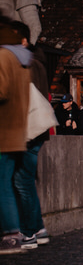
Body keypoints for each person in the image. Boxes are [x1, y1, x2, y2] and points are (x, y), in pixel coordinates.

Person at [9, 21, 51, 248]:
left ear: (24, 40)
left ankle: (28, 232)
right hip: (38, 129)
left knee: (20, 181)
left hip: (28, 129)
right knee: (26, 180)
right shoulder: (39, 62)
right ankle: (38, 227)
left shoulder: (27, 64)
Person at [0, 18, 35, 253]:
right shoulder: (24, 61)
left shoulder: (4, 57)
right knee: (9, 183)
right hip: (18, 131)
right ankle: (17, 232)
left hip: (3, 131)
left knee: (3, 184)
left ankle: (11, 234)